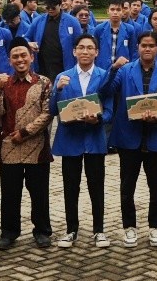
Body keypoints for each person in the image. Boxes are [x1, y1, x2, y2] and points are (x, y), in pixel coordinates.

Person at [109, 30, 157, 247]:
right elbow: (108, 90)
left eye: (151, 46)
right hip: (129, 137)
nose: (147, 49)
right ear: (137, 47)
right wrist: (113, 69)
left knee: (156, 186)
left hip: (155, 137)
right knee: (127, 186)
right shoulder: (125, 71)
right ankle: (129, 227)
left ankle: (155, 227)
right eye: (143, 45)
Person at [53, 34, 117, 248]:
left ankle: (99, 230)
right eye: (81, 47)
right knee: (71, 187)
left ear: (97, 52)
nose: (85, 51)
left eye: (90, 48)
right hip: (70, 140)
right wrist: (58, 90)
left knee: (96, 187)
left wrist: (97, 119)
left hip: (94, 139)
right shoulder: (63, 77)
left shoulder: (104, 76)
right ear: (74, 51)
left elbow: (109, 111)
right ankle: (71, 230)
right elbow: (53, 109)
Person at [0, 37, 54, 249]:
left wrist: (25, 132)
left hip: (37, 147)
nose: (19, 59)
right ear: (9, 60)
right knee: (9, 193)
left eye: (23, 55)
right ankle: (9, 232)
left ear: (31, 57)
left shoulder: (44, 82)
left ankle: (42, 231)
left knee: (39, 193)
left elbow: (47, 114)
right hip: (9, 147)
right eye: (15, 56)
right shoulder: (5, 83)